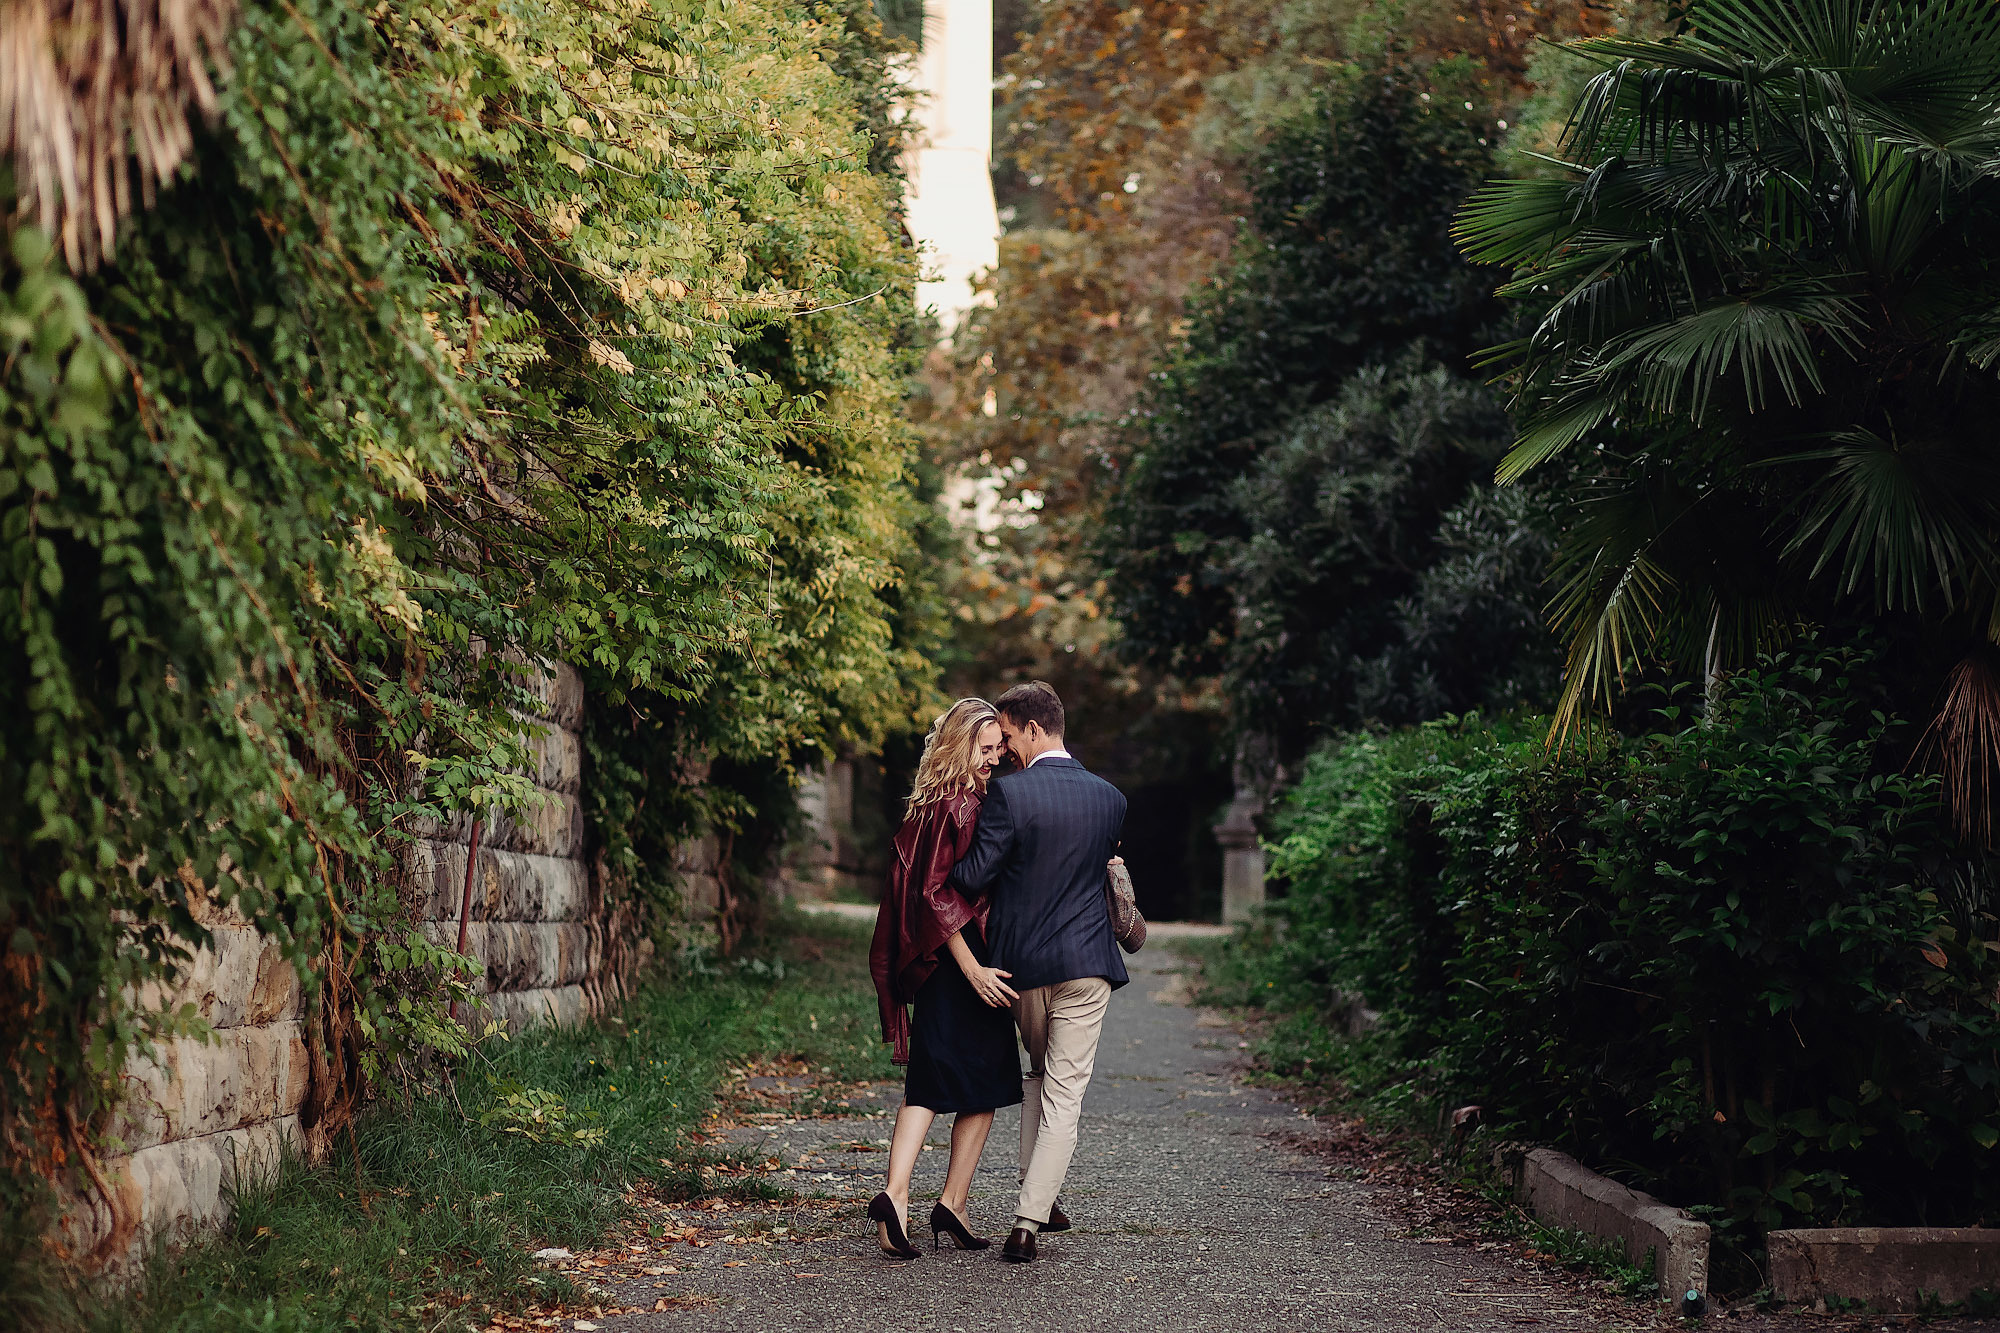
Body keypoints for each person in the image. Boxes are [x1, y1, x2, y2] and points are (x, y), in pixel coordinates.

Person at [948, 680, 1128, 1264]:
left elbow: (972, 876)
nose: (1005, 751)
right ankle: (1030, 1217)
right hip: (1089, 963)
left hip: (1021, 967)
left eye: (1007, 736)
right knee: (1063, 1090)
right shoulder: (1111, 799)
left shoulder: (1009, 794)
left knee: (1038, 1073)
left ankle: (1037, 1200)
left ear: (1032, 728)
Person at [866, 698, 1024, 1259]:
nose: (994, 759)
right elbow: (935, 894)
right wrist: (973, 968)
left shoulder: (934, 802)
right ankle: (916, 1197)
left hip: (949, 961)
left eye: (998, 749)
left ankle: (928, 1201)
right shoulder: (958, 803)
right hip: (960, 960)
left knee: (962, 1082)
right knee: (964, 1083)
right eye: (985, 749)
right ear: (959, 746)